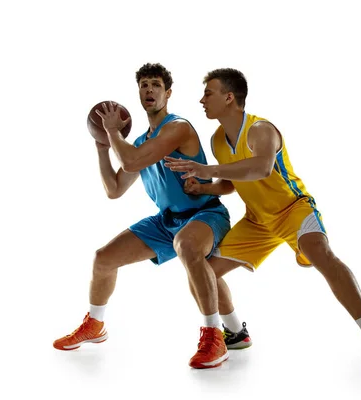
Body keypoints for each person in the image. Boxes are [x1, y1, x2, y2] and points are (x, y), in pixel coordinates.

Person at [164, 68, 361, 377]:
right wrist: (204, 186)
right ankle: (235, 332)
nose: (201, 100)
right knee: (203, 271)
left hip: (292, 209)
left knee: (321, 255)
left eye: (208, 93)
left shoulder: (260, 129)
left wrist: (207, 170)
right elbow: (235, 181)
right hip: (257, 221)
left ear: (229, 97)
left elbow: (260, 167)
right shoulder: (218, 139)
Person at [53, 63, 233, 369]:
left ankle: (214, 335)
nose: (149, 90)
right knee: (103, 258)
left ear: (168, 93)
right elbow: (114, 189)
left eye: (156, 85)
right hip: (167, 220)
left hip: (205, 212)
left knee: (187, 246)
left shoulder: (179, 128)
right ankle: (95, 325)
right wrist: (102, 147)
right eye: (144, 85)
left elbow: (133, 160)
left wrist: (111, 132)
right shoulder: (138, 142)